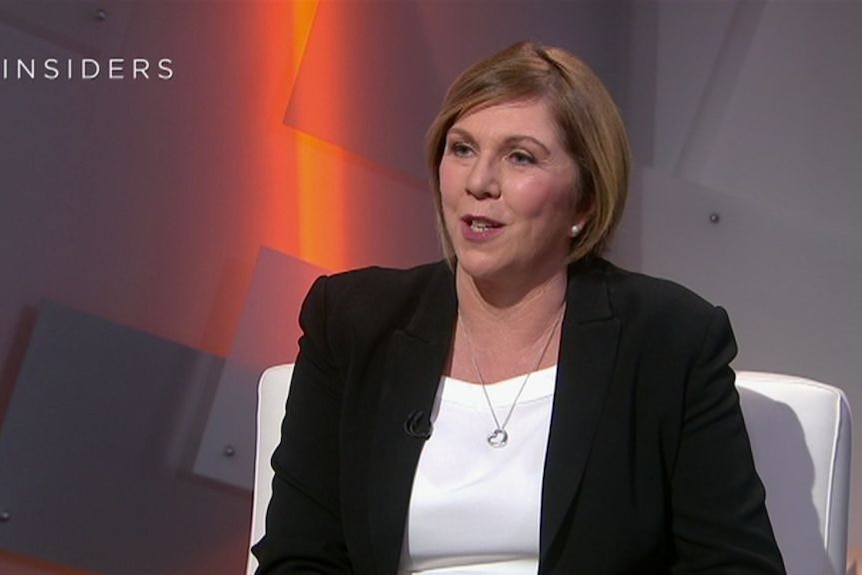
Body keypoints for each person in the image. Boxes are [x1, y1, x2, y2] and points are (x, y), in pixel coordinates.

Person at [251, 41, 786, 574]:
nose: (479, 183)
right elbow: (298, 558)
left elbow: (736, 566)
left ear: (586, 200)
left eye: (520, 156)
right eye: (461, 149)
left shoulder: (670, 339)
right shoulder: (353, 321)